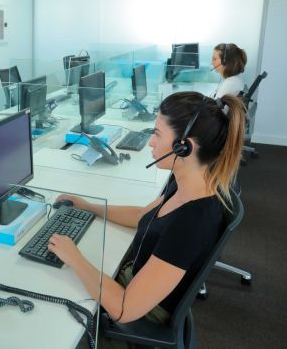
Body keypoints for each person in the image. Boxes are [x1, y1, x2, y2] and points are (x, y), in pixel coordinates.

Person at [49, 91, 245, 348]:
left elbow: (123, 309)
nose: (151, 143)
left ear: (184, 146)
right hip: (136, 284)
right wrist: (88, 206)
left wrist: (74, 257)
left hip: (131, 323)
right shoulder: (187, 182)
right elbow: (143, 215)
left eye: (157, 134)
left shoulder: (192, 222)